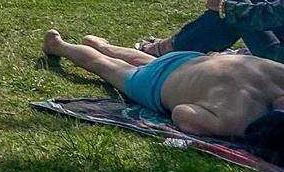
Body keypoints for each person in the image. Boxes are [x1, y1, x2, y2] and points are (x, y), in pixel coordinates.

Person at [43, 29, 284, 158]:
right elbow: (182, 113)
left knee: (141, 60)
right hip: (163, 83)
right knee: (107, 67)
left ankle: (102, 44)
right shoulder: (236, 120)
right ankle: (60, 47)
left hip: (193, 62)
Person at [138, 0, 284, 63]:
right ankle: (175, 46)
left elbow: (264, 17)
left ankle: (169, 48)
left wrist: (222, 5)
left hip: (278, 59)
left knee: (232, 4)